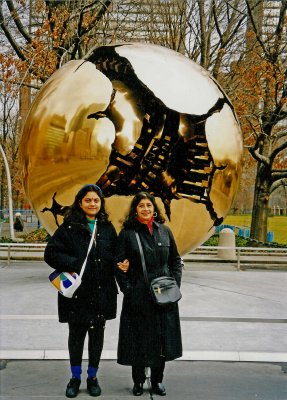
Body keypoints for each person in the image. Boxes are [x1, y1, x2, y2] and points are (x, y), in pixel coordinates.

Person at [44, 184, 118, 398]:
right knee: (76, 337)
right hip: (78, 296)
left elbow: (115, 256)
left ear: (101, 203)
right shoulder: (69, 227)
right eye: (88, 200)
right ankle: (75, 377)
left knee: (97, 338)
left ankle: (92, 377)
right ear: (80, 202)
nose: (92, 204)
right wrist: (75, 264)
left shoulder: (107, 228)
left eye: (96, 200)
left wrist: (122, 265)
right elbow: (51, 254)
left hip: (102, 294)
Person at [115, 191, 183, 397]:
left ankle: (157, 380)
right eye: (141, 205)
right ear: (135, 210)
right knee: (138, 339)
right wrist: (128, 289)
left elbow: (176, 261)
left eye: (149, 205)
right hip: (138, 296)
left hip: (164, 297)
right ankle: (138, 380)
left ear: (155, 209)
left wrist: (173, 286)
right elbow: (118, 265)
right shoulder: (127, 234)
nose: (146, 209)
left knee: (161, 340)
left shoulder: (165, 231)